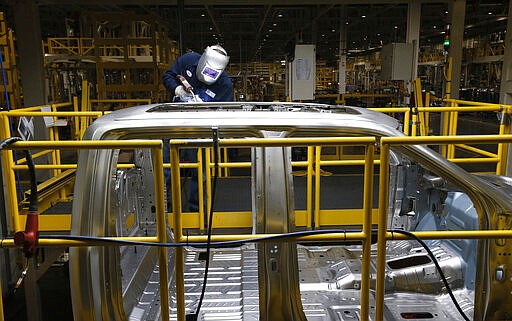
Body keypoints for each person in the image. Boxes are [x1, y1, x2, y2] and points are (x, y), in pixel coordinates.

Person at [162, 45, 233, 212]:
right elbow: (168, 76)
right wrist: (177, 89)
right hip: (172, 125)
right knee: (166, 169)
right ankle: (166, 209)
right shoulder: (188, 60)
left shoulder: (224, 84)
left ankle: (198, 211)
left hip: (201, 130)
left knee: (200, 173)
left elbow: (224, 113)